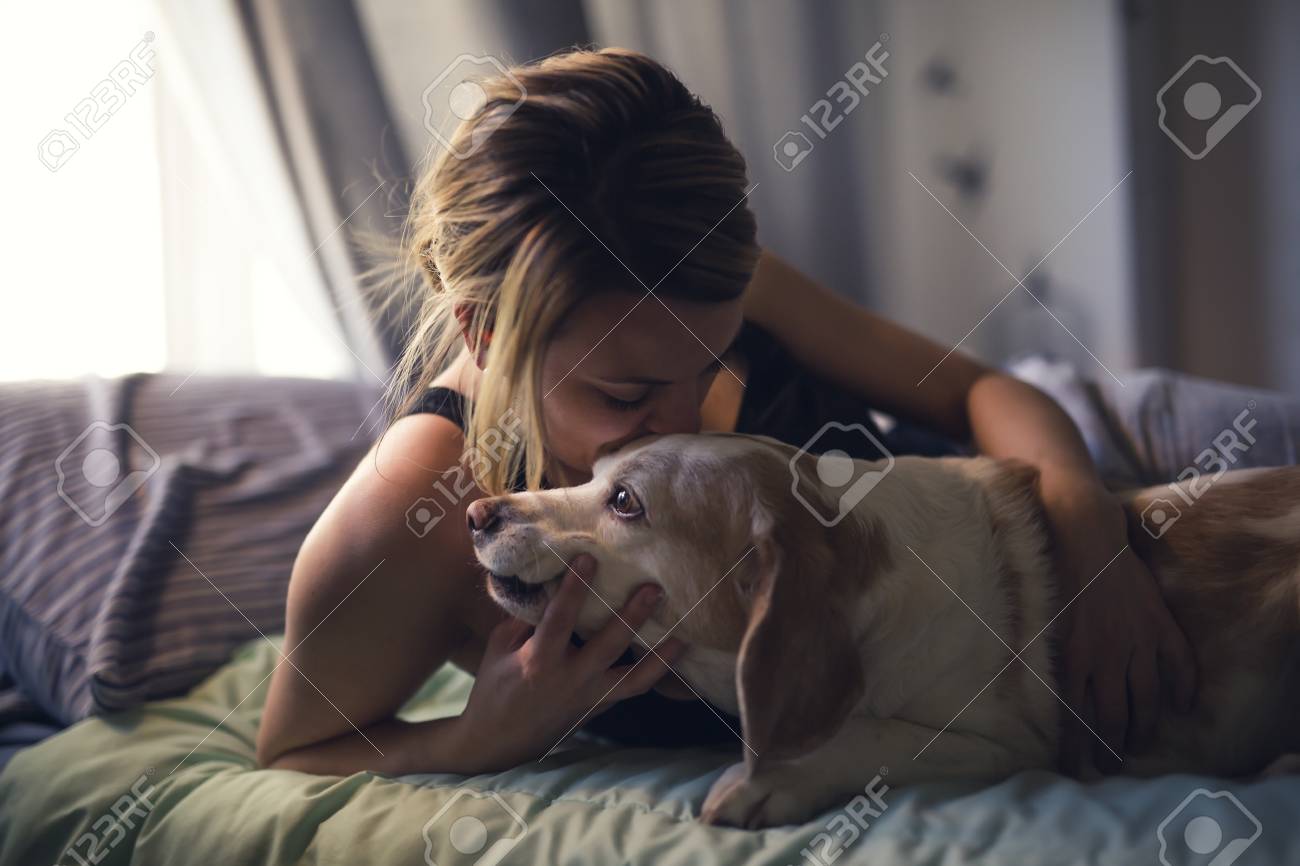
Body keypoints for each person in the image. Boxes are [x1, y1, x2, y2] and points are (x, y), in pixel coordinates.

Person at [255, 47, 1198, 779]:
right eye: (627, 395)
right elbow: (292, 752)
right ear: (486, 332)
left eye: (711, 365)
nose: (684, 417)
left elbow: (980, 392)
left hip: (1065, 471)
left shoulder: (689, 281)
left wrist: (1091, 536)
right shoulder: (408, 516)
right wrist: (470, 741)